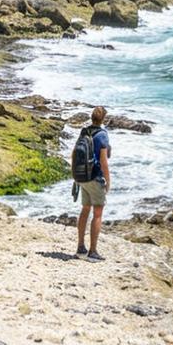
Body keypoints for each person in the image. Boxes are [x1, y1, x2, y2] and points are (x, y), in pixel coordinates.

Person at [74, 105, 111, 260]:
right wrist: (108, 180)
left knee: (85, 209)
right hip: (95, 177)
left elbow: (74, 153)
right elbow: (103, 162)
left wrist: (75, 175)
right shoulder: (102, 135)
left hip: (82, 176)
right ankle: (93, 251)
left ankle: (80, 247)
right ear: (103, 119)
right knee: (97, 213)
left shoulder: (84, 131)